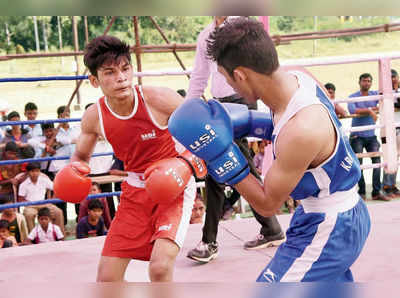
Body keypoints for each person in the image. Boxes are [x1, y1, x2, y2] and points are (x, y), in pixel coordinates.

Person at [169, 17, 371, 282]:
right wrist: (249, 122)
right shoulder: (299, 77)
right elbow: (310, 123)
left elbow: (267, 204)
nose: (228, 86)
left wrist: (220, 155)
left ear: (240, 75)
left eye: (226, 78)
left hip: (331, 225)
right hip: (320, 213)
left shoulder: (301, 131)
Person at [53, 35, 205, 282]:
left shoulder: (159, 99)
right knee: (107, 279)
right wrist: (73, 171)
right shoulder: (95, 117)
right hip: (135, 192)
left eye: (125, 69)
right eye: (110, 72)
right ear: (94, 80)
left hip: (173, 189)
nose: (121, 77)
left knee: (159, 268)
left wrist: (184, 164)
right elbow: (81, 155)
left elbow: (206, 133)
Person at [185, 16, 284, 263]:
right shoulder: (206, 33)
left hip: (243, 100)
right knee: (236, 167)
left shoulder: (243, 27)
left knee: (219, 168)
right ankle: (270, 227)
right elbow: (199, 76)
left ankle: (209, 241)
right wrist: (187, 110)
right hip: (219, 106)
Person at [348, 73, 389, 201]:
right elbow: (352, 110)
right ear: (359, 82)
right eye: (364, 81)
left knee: (378, 163)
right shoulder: (353, 96)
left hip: (371, 136)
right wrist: (371, 111)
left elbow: (384, 103)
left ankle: (377, 191)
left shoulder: (375, 94)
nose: (367, 83)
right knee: (358, 165)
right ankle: (362, 192)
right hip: (357, 136)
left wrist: (370, 109)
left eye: (369, 81)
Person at [18, 162, 65, 234]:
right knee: (28, 215)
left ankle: (60, 235)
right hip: (31, 206)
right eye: (32, 171)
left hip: (44, 204)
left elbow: (57, 188)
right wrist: (28, 203)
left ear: (40, 171)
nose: (35, 173)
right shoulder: (23, 184)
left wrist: (52, 200)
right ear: (28, 172)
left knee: (58, 212)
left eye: (37, 171)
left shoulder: (44, 180)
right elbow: (20, 199)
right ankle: (33, 238)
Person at [382, 69, 400, 198]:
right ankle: (388, 185)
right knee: (390, 157)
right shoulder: (384, 92)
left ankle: (392, 185)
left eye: (394, 77)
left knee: (396, 158)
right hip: (390, 128)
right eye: (390, 77)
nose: (393, 79)